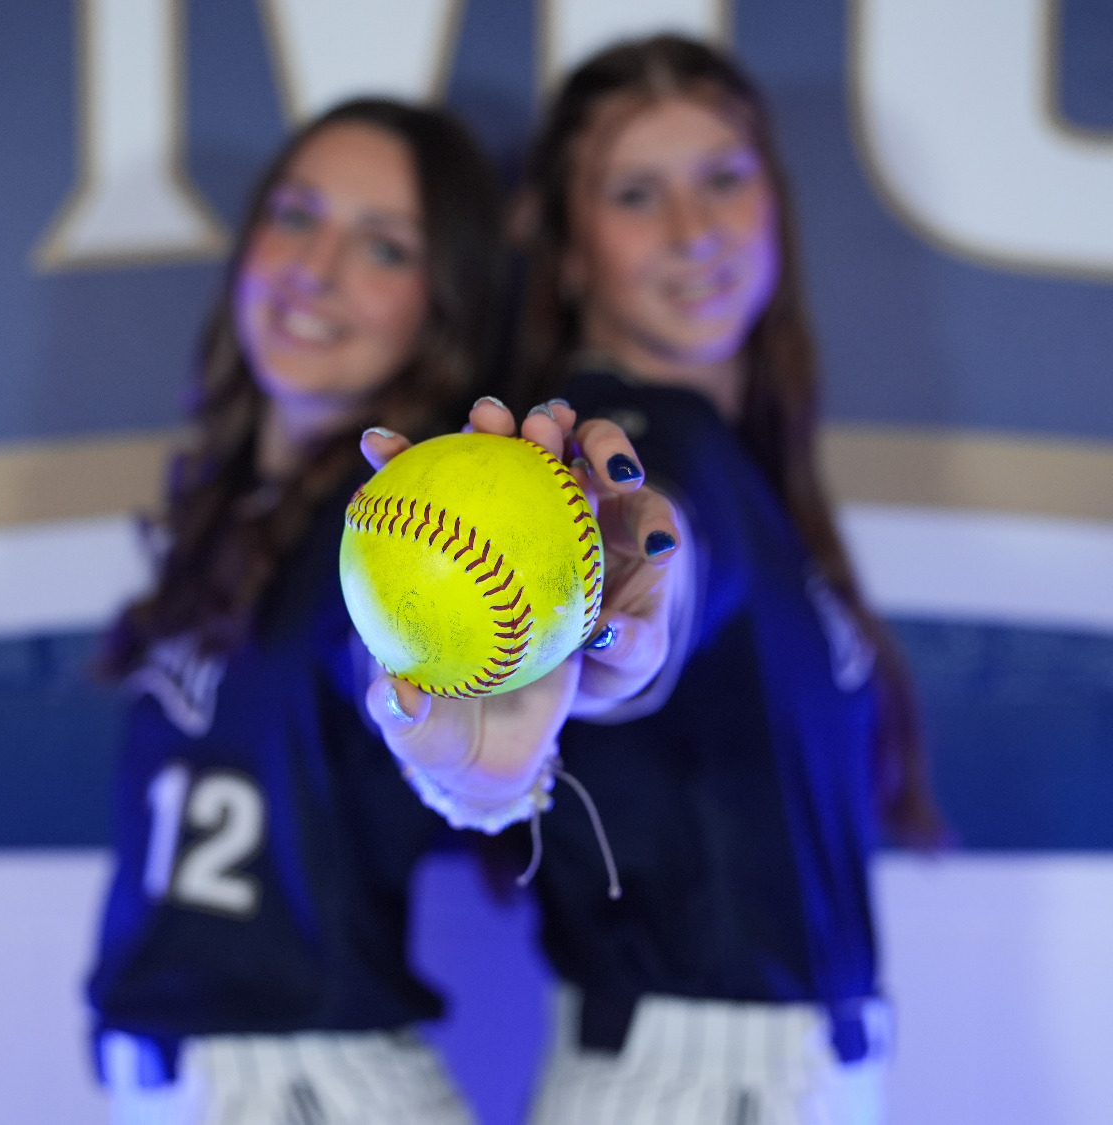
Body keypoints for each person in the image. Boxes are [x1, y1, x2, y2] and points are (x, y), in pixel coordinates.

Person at [497, 35, 950, 1124]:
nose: (692, 229)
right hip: (696, 1081)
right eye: (634, 194)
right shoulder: (641, 440)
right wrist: (621, 602)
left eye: (722, 178)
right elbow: (654, 541)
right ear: (569, 251)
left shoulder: (742, 456)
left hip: (758, 1072)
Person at [85, 98, 507, 1125]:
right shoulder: (235, 515)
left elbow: (477, 751)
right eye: (296, 216)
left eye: (383, 247)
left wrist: (492, 753)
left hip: (311, 1085)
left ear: (442, 305)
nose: (315, 269)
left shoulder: (398, 541)